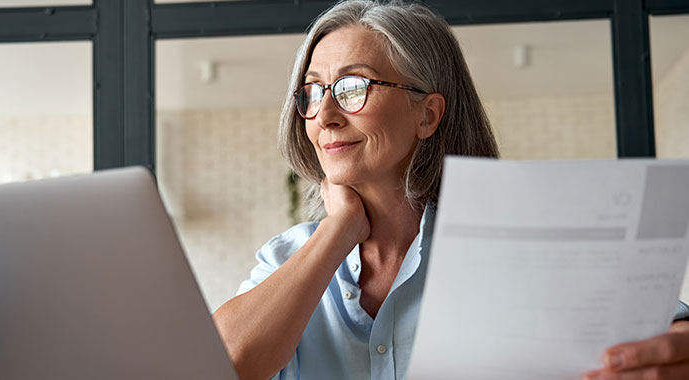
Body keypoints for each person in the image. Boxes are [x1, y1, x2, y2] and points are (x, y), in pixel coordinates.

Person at [212, 1, 689, 379]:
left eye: (352, 86)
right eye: (312, 92)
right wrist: (339, 230)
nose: (326, 115)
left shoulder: (513, 241)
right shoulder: (285, 259)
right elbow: (221, 366)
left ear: (427, 114)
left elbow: (664, 327)